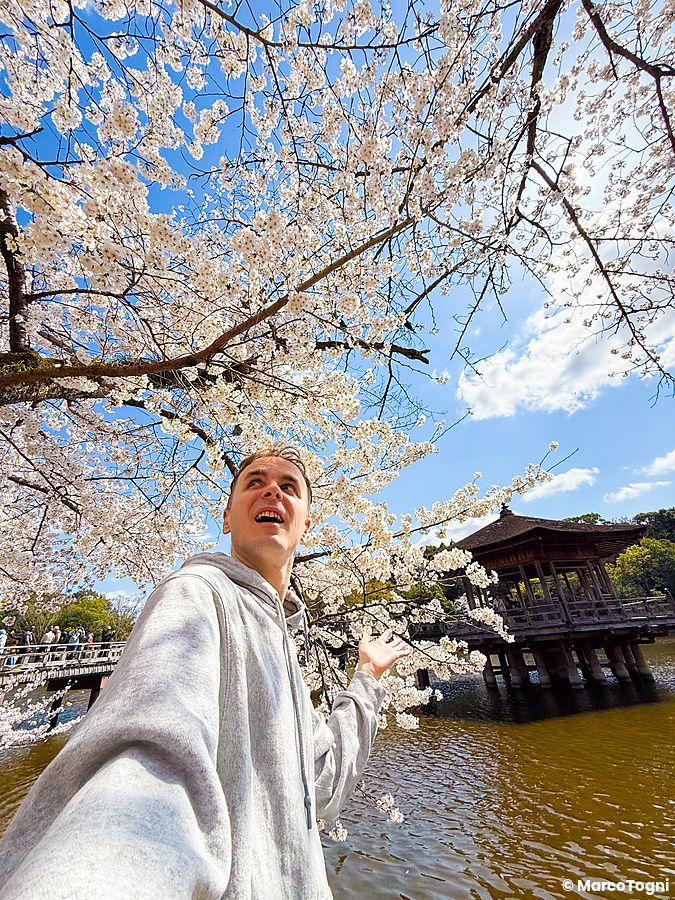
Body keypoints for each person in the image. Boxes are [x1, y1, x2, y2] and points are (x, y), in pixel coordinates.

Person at [0, 445, 409, 898]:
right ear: (228, 518)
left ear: (305, 525)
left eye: (288, 487)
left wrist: (366, 680)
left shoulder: (284, 649)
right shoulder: (196, 594)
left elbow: (323, 785)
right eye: (254, 482)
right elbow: (152, 751)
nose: (271, 489)